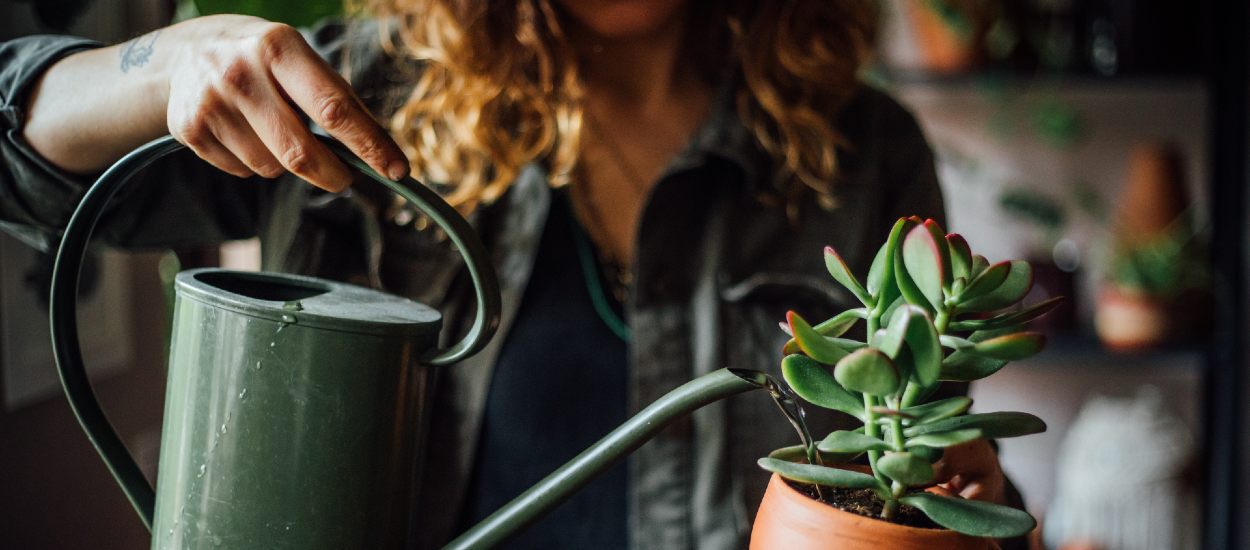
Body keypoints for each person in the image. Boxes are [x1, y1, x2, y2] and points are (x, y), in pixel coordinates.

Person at [0, 1, 1020, 548]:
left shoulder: (862, 150)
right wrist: (172, 59)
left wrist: (949, 492)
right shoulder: (355, 96)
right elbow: (21, 165)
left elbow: (926, 460)